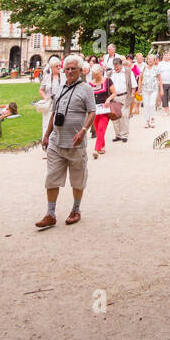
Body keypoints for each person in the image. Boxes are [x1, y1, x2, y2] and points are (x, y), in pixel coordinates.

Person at [38, 55, 95, 227]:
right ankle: (50, 213)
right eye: (67, 68)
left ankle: (76, 210)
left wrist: (83, 130)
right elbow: (54, 114)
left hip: (75, 143)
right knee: (52, 177)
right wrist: (47, 135)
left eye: (73, 69)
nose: (69, 71)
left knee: (77, 178)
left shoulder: (86, 89)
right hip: (56, 141)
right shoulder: (61, 88)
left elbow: (92, 112)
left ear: (79, 70)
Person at [88, 64, 113, 158]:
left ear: (101, 72)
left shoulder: (108, 81)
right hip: (94, 110)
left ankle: (96, 149)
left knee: (101, 128)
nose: (95, 76)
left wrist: (108, 99)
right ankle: (102, 146)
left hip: (105, 109)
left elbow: (114, 93)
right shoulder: (90, 84)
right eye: (94, 75)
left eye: (96, 74)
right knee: (98, 129)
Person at [108, 56, 133, 142]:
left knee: (124, 115)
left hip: (125, 97)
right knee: (115, 116)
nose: (116, 68)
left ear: (121, 65)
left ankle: (124, 135)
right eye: (114, 66)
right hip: (114, 98)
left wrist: (132, 94)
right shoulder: (110, 73)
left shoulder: (128, 72)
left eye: (117, 66)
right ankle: (118, 135)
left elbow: (133, 84)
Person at [139, 53, 161, 129]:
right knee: (146, 105)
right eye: (149, 59)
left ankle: (152, 120)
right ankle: (147, 121)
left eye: (152, 59)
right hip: (145, 89)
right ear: (147, 60)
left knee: (152, 104)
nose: (150, 60)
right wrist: (139, 89)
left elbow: (160, 80)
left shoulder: (156, 68)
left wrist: (161, 90)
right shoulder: (143, 68)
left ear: (154, 60)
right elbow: (140, 79)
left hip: (154, 89)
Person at [158, 50, 170, 115]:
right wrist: (159, 81)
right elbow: (158, 73)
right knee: (164, 97)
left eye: (167, 55)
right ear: (163, 56)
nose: (166, 56)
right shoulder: (160, 64)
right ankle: (166, 111)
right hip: (163, 83)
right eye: (165, 55)